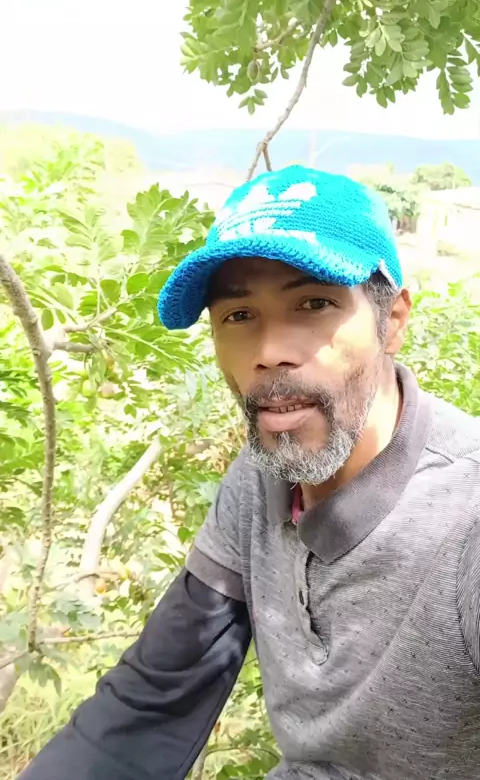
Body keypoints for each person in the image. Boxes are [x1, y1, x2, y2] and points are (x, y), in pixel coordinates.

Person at [20, 165, 480, 780]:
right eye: (238, 316)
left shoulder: (466, 519)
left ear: (391, 320)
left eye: (313, 304)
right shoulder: (262, 478)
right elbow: (160, 690)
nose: (268, 352)